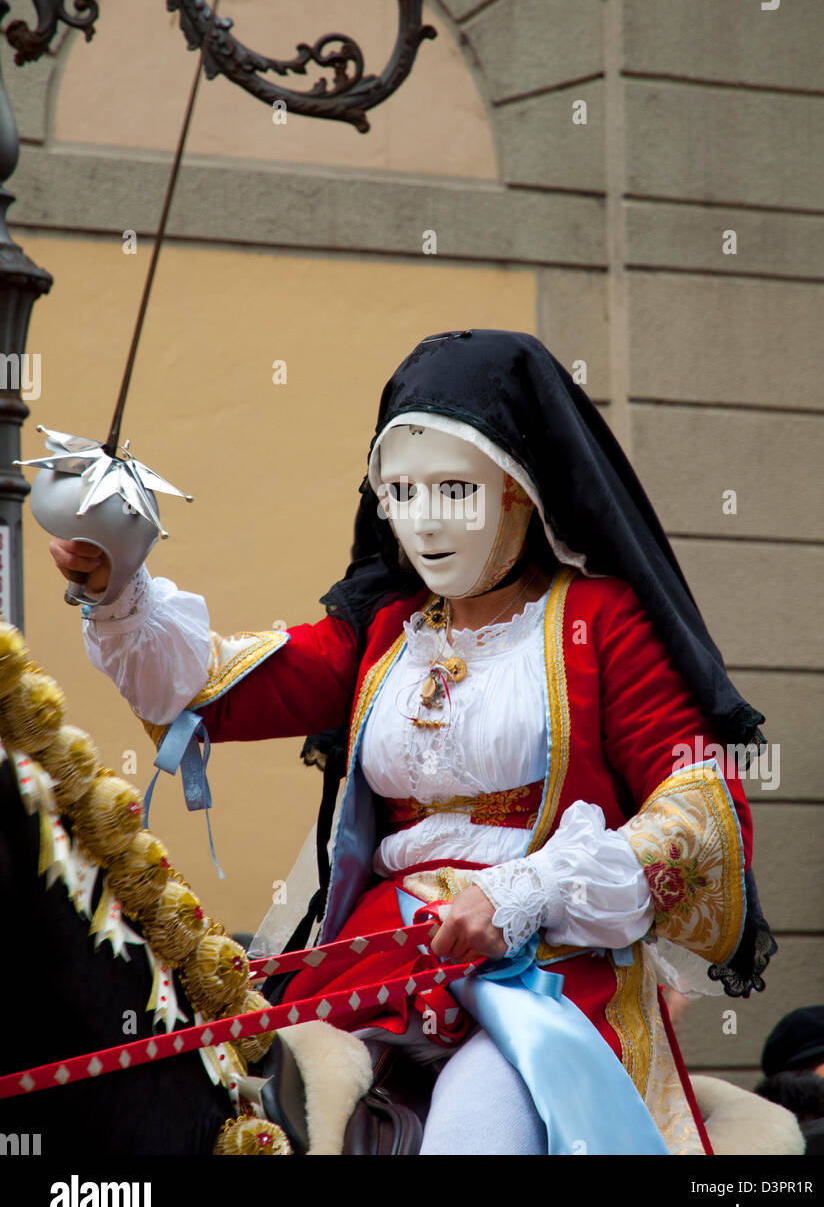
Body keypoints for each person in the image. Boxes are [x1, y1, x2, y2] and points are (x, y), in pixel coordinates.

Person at [48, 329, 773, 1155]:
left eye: (455, 490)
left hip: (544, 973)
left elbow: (702, 815)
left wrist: (523, 892)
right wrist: (115, 580)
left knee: (473, 1132)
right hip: (378, 961)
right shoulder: (385, 631)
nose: (424, 522)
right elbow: (203, 689)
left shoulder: (602, 622)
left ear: (520, 493)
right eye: (400, 492)